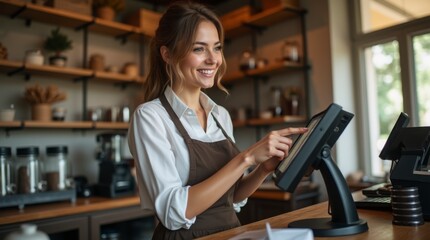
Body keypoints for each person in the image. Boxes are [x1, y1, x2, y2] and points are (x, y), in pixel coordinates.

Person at [127, 1, 308, 239]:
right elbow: (174, 212)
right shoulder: (150, 117)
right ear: (167, 54)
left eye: (217, 48)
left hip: (229, 233)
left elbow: (231, 196)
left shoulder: (220, 115)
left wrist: (263, 168)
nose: (213, 60)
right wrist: (248, 158)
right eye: (199, 49)